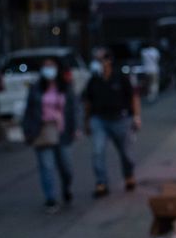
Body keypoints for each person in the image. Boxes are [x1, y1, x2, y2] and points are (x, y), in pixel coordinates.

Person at [21, 57, 77, 213]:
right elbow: (28, 110)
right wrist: (27, 130)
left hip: (62, 131)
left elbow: (74, 107)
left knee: (66, 167)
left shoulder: (65, 87)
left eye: (51, 66)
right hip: (42, 130)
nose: (49, 69)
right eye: (45, 66)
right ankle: (50, 198)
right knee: (46, 166)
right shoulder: (36, 88)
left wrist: (76, 127)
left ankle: (66, 188)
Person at [82, 49, 140, 198]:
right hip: (99, 120)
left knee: (126, 153)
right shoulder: (94, 80)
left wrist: (136, 116)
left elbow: (133, 97)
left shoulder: (120, 77)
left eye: (101, 60)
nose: (98, 63)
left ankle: (129, 175)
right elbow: (88, 101)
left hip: (120, 119)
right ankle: (101, 182)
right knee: (97, 151)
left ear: (108, 61)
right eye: (96, 60)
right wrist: (86, 121)